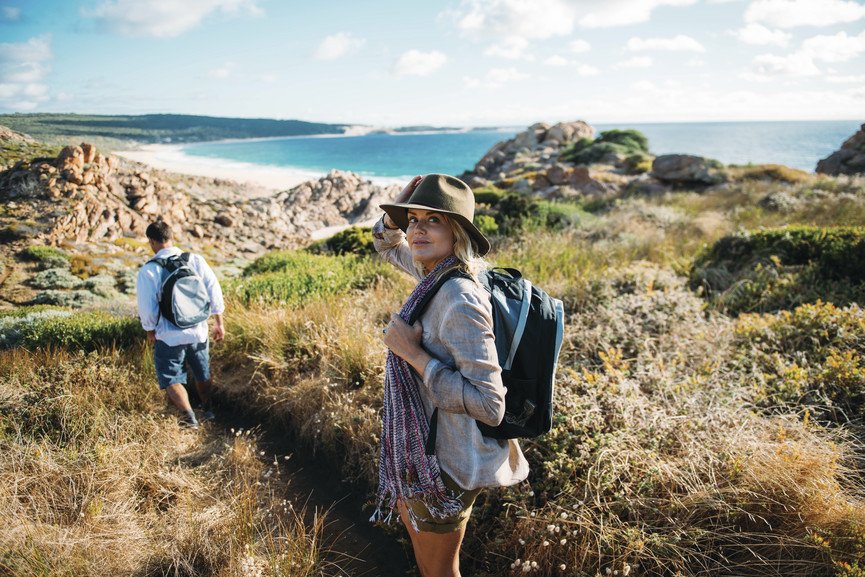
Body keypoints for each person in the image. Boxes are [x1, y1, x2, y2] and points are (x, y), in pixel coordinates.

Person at [371, 174, 529, 577]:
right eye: (413, 220)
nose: (417, 230)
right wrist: (394, 216)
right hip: (428, 452)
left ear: (456, 231)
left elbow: (490, 405)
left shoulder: (459, 297)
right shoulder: (435, 275)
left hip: (448, 466)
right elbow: (385, 244)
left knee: (439, 572)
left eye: (433, 220)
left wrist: (414, 355)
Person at [136, 221, 225, 429]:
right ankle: (208, 409)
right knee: (202, 372)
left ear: (151, 242)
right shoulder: (195, 260)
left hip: (169, 335)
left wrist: (150, 330)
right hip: (198, 330)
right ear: (171, 237)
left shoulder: (149, 270)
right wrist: (218, 323)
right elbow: (214, 290)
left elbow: (147, 308)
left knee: (171, 378)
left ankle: (189, 417)